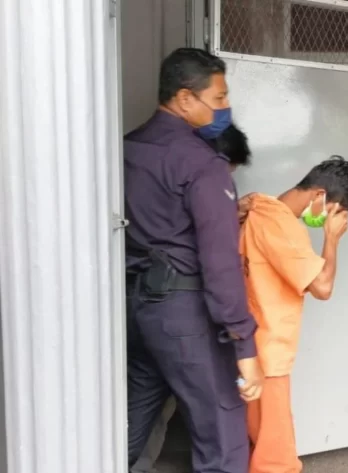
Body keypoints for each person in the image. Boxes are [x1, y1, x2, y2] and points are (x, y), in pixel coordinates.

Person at [124, 47, 263, 473]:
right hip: (185, 315)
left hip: (137, 307)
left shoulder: (128, 149)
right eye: (219, 97)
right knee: (222, 437)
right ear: (185, 98)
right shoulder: (202, 163)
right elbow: (220, 265)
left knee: (131, 422)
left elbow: (160, 222)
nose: (225, 107)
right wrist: (244, 344)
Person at [240, 156, 348, 473]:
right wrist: (331, 240)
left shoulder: (258, 209)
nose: (330, 220)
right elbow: (322, 287)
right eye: (335, 212)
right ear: (320, 195)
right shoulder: (281, 225)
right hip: (267, 354)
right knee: (275, 456)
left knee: (253, 440)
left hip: (245, 347)